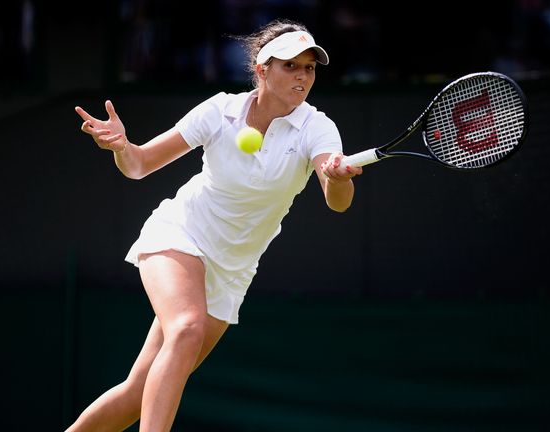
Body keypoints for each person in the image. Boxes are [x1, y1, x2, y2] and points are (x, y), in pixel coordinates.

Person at [69, 18, 361, 432]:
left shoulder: (318, 128)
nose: (302, 76)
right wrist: (122, 146)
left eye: (309, 67)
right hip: (182, 233)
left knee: (138, 394)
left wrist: (337, 178)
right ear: (262, 70)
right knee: (186, 329)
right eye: (290, 65)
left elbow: (338, 204)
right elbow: (139, 165)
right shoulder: (219, 111)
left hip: (232, 269)